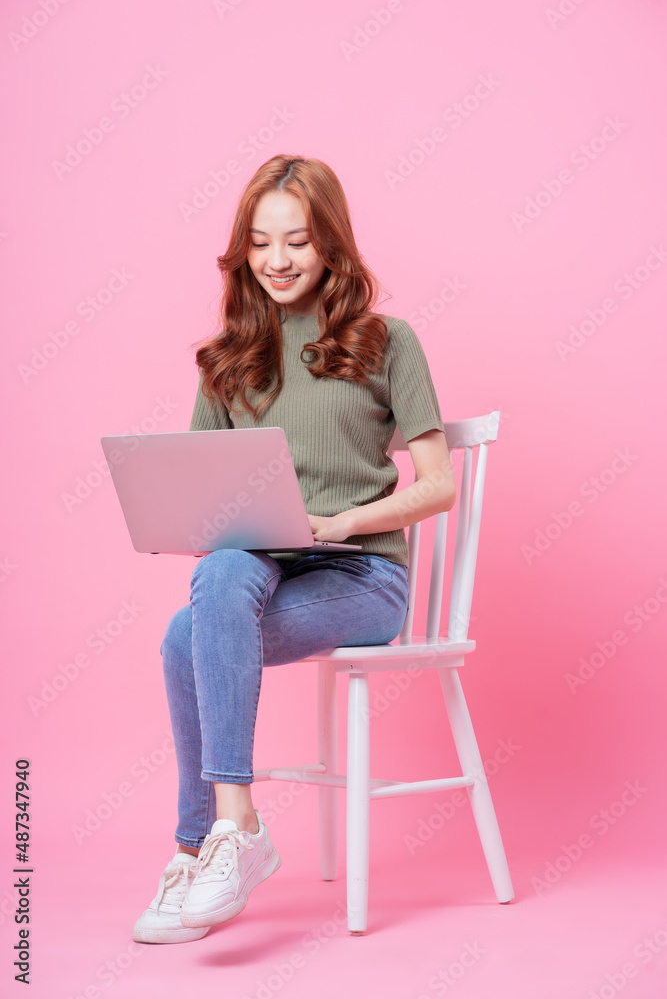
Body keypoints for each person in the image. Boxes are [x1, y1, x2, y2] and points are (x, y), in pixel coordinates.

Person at [132, 154, 456, 944]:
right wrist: (170, 516)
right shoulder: (225, 359)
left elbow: (439, 485)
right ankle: (222, 835)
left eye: (298, 242)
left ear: (331, 246)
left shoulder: (386, 340)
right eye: (260, 242)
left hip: (360, 575)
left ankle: (211, 839)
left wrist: (345, 523)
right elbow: (202, 487)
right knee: (219, 577)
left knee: (189, 636)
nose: (277, 261)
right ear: (242, 249)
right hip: (262, 571)